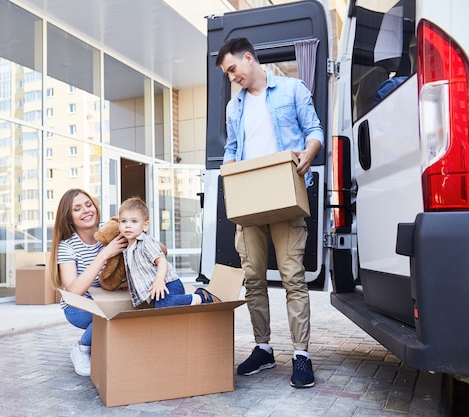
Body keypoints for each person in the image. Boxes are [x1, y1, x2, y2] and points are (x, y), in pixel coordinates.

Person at [215, 37, 324, 388]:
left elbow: (315, 131)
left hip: (285, 194)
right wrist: (228, 171)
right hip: (249, 202)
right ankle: (263, 349)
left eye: (233, 68)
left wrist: (309, 153)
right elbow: (232, 148)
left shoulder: (292, 89)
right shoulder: (235, 107)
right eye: (227, 72)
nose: (232, 76)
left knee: (293, 277)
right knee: (253, 279)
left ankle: (301, 355)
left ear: (249, 58)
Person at [49, 188, 128, 377]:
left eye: (88, 204)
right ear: (68, 218)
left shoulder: (111, 233)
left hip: (106, 300)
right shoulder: (67, 246)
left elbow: (162, 251)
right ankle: (82, 347)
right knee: (106, 314)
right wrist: (104, 254)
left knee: (126, 310)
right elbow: (74, 291)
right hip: (78, 307)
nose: (86, 210)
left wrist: (139, 234)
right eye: (77, 209)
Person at [118, 196, 219, 308]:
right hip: (158, 289)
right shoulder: (128, 250)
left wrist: (159, 280)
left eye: (134, 221)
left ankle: (203, 297)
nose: (128, 225)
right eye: (123, 221)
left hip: (168, 284)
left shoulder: (146, 242)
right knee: (159, 306)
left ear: (145, 226)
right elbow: (140, 272)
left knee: (163, 304)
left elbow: (161, 261)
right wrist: (128, 284)